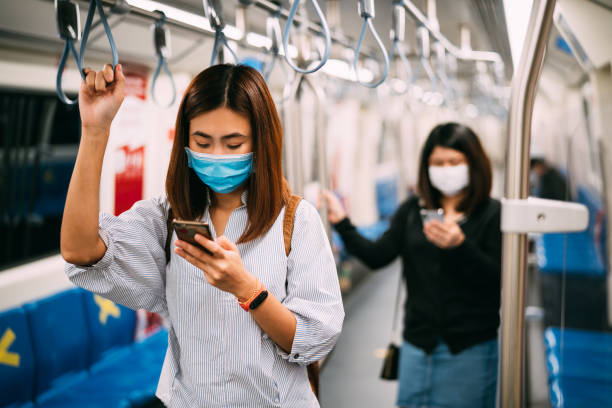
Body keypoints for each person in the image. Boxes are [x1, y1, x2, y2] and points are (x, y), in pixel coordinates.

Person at [61, 63, 344, 407]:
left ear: (261, 145)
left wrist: (248, 290)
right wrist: (94, 130)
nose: (216, 156)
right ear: (186, 144)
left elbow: (313, 339)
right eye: (203, 142)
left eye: (233, 143)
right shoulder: (166, 219)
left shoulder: (296, 221)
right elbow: (80, 251)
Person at [323, 123, 501, 408]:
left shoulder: (493, 215)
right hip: (418, 345)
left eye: (454, 162)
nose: (446, 169)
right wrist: (343, 223)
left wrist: (461, 247)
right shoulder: (412, 212)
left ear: (473, 164)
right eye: (438, 163)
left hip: (470, 348)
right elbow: (377, 255)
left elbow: (497, 280)